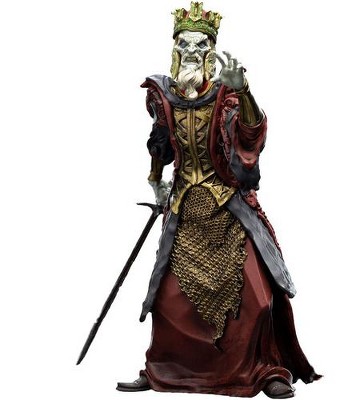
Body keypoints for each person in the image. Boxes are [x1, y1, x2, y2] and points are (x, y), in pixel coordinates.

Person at [117, 2, 320, 398]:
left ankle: (266, 369)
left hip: (228, 209)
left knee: (257, 298)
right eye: (184, 44)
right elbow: (160, 143)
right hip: (184, 211)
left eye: (199, 45)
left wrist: (244, 91)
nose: (191, 52)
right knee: (168, 301)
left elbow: (251, 134)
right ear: (175, 49)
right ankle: (162, 369)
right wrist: (156, 180)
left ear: (210, 51)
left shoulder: (226, 95)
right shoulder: (165, 96)